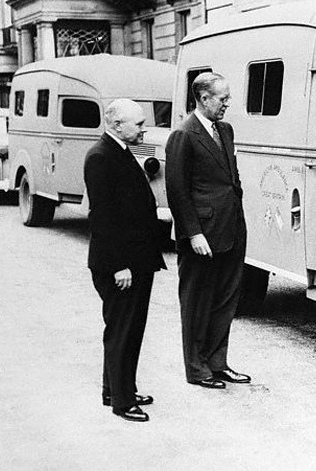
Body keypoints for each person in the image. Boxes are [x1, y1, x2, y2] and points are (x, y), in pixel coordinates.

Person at [165, 72, 250, 389]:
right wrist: (193, 233)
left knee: (225, 298)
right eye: (222, 98)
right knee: (197, 301)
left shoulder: (224, 130)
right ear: (203, 98)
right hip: (201, 235)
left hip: (230, 229)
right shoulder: (184, 135)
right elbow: (177, 190)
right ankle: (197, 368)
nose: (228, 103)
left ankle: (217, 362)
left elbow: (231, 179)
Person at [84, 99, 166, 422]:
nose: (144, 128)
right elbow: (101, 217)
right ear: (117, 125)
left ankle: (117, 389)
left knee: (128, 329)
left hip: (135, 261)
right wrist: (118, 265)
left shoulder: (119, 151)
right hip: (121, 265)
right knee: (122, 330)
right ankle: (122, 400)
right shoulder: (101, 157)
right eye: (139, 123)